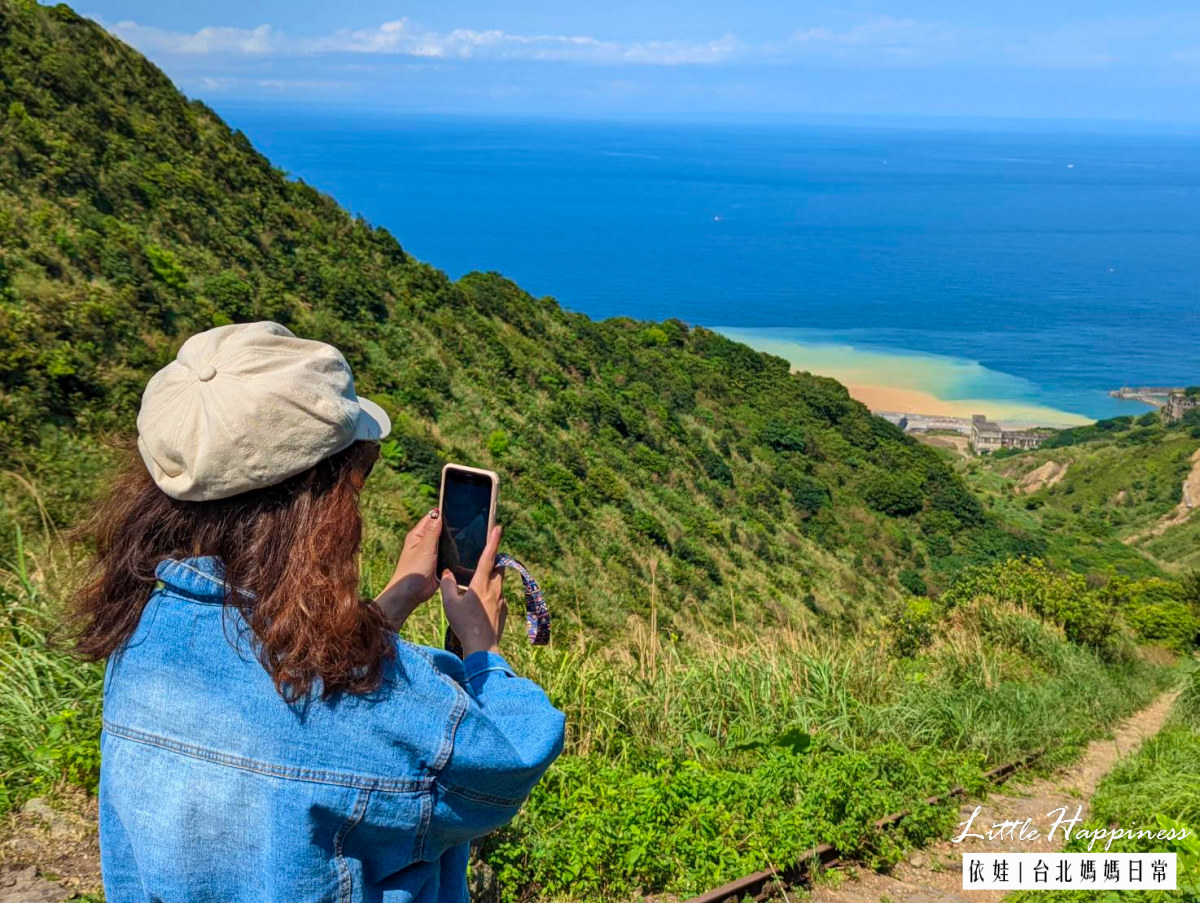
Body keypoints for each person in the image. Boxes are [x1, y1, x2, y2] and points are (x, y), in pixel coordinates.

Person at [71, 321, 565, 902]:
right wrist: (483, 650)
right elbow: (506, 763)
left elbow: (283, 683)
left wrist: (396, 601)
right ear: (315, 507)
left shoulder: (140, 634)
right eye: (357, 476)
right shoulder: (371, 706)